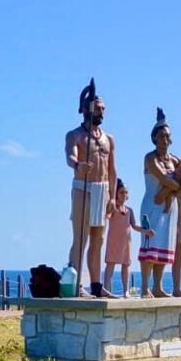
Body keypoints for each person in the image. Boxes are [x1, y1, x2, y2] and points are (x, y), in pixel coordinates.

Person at [65, 79, 118, 298]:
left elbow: (113, 169)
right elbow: (70, 156)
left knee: (99, 239)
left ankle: (97, 284)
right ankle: (76, 283)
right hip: (83, 188)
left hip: (103, 190)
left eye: (103, 109)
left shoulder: (108, 138)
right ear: (87, 109)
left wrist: (113, 197)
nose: (101, 112)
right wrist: (78, 164)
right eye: (98, 108)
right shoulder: (75, 135)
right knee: (81, 238)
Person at [138, 108, 181, 297]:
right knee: (150, 243)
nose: (165, 140)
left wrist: (169, 190)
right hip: (152, 203)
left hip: (169, 206)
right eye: (161, 136)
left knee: (164, 245)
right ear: (154, 138)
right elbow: (163, 178)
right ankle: (145, 287)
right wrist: (173, 185)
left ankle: (158, 286)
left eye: (168, 136)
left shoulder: (175, 160)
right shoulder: (150, 158)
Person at [104, 179, 150, 297]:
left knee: (126, 265)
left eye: (125, 192)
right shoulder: (113, 207)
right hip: (113, 240)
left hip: (126, 241)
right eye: (121, 192)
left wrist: (146, 231)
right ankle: (106, 288)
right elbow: (107, 216)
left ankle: (126, 291)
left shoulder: (129, 210)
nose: (124, 195)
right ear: (116, 193)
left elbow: (134, 226)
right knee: (111, 264)